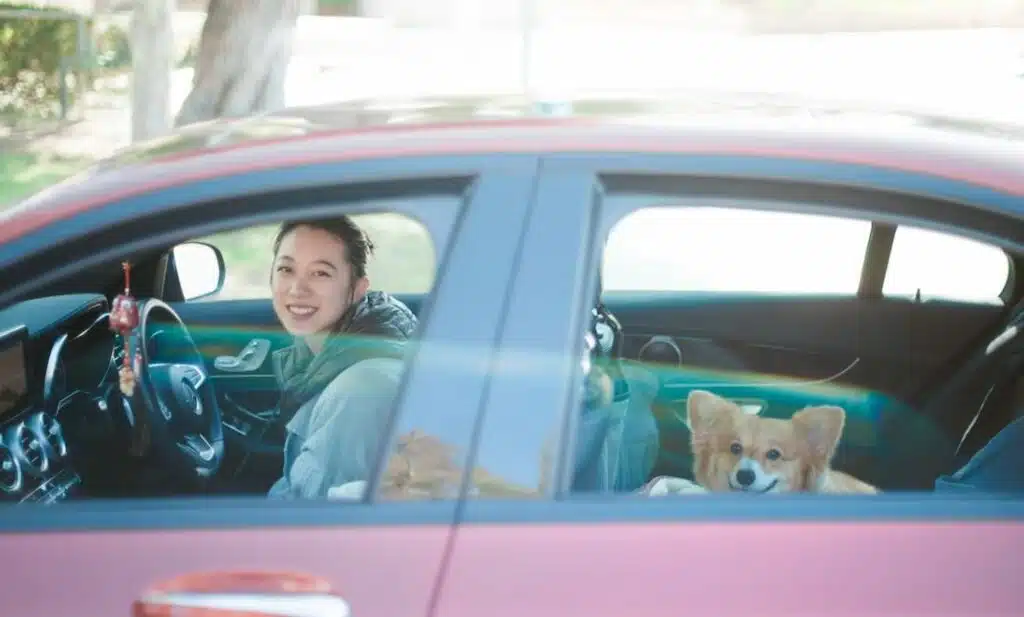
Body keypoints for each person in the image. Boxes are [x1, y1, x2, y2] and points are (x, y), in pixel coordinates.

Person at [265, 216, 418, 499]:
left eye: (320, 273)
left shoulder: (362, 389)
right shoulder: (317, 354)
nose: (298, 289)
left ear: (358, 289)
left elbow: (318, 521)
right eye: (286, 269)